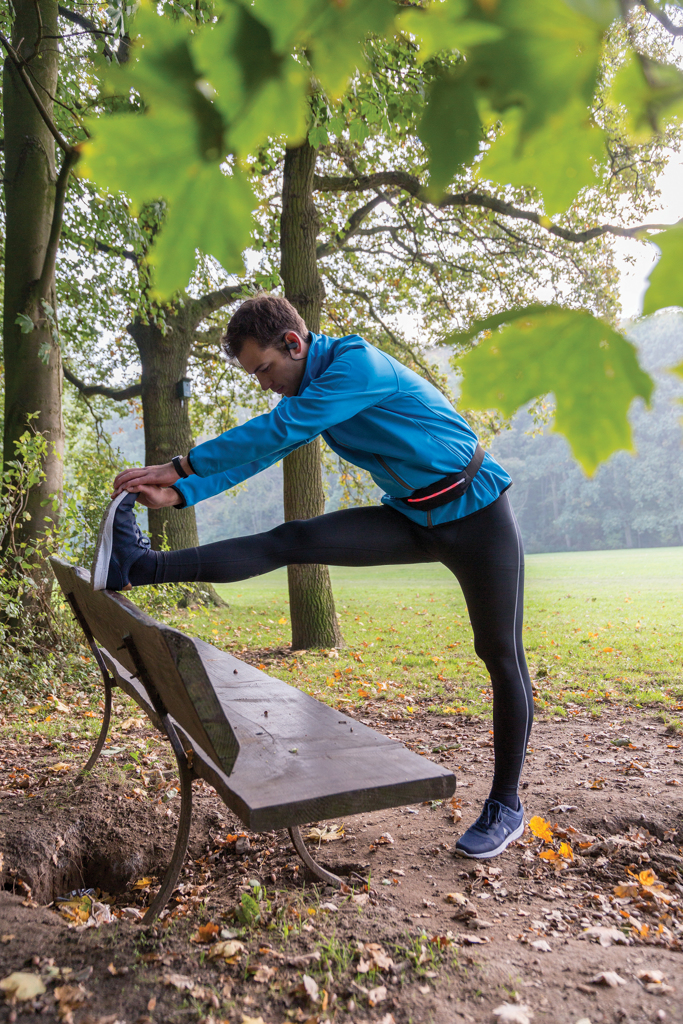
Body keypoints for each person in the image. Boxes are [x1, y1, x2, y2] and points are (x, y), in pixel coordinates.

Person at [94, 293, 532, 859]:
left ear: (293, 344)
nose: (263, 382)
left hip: (477, 515)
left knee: (500, 653)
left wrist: (180, 465)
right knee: (292, 539)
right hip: (411, 516)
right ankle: (140, 567)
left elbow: (280, 430)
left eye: (264, 369)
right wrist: (183, 492)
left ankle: (506, 805)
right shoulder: (314, 389)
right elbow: (270, 447)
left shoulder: (357, 366)